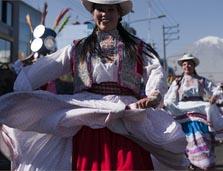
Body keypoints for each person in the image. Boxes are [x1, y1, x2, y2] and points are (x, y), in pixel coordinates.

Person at [0, 0, 189, 170]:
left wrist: (154, 94)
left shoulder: (135, 47)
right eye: (100, 9)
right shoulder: (77, 48)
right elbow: (47, 66)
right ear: (93, 13)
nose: (105, 14)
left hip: (127, 115)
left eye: (110, 9)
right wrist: (22, 92)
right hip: (87, 115)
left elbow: (155, 70)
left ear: (119, 14)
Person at [164, 53, 223, 170]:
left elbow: (216, 89)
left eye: (189, 64)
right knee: (184, 137)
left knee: (200, 136)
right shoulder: (177, 82)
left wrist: (214, 96)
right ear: (182, 67)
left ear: (194, 66)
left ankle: (203, 161)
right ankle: (190, 160)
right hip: (182, 112)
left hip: (199, 111)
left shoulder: (201, 80)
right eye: (184, 64)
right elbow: (170, 97)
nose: (187, 66)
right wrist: (168, 105)